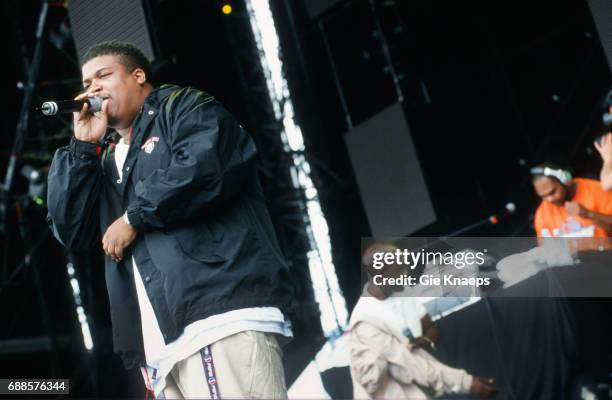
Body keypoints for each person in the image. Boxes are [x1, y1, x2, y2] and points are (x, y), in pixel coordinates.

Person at [46, 41, 294, 399]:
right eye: (87, 83)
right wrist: (82, 148)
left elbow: (205, 166)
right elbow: (70, 229)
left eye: (103, 75)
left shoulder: (185, 107)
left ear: (138, 75)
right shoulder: (107, 161)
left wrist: (132, 217)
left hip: (218, 319)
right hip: (163, 346)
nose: (93, 89)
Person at [348, 243, 497, 399]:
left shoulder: (402, 293)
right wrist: (468, 384)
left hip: (427, 384)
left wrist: (425, 340)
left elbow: (430, 328)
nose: (405, 274)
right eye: (399, 270)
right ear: (381, 273)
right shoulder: (365, 321)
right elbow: (410, 365)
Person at [531, 163, 612, 238]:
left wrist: (589, 214)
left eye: (553, 192)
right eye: (543, 196)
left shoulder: (597, 190)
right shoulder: (542, 214)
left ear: (565, 181)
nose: (549, 199)